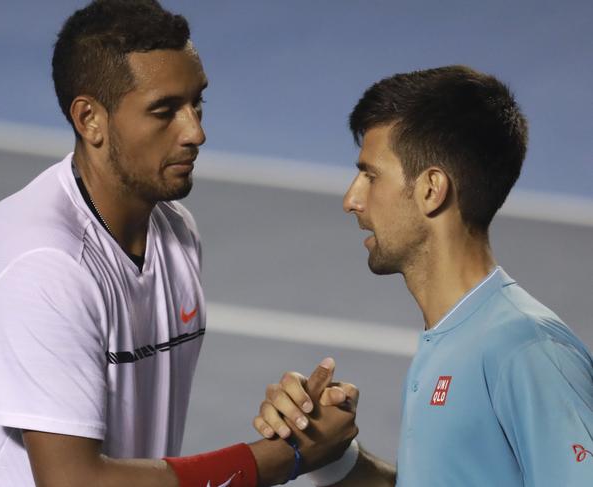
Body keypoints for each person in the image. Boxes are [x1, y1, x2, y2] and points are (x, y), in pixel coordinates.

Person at [0, 2, 357, 486]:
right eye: (164, 112)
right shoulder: (43, 264)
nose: (195, 132)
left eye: (196, 103)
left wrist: (299, 423)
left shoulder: (175, 232)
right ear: (89, 119)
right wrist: (287, 457)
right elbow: (74, 482)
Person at [254, 66, 593, 486]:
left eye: (371, 175)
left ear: (431, 189)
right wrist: (330, 454)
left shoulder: (526, 351)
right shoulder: (454, 338)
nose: (351, 200)